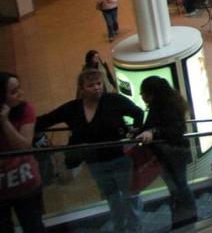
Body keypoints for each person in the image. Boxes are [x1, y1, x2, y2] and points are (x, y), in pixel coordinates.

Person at [37, 70, 144, 233]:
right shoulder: (73, 108)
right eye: (91, 85)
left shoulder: (113, 100)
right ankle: (121, 228)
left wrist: (133, 136)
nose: (96, 88)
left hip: (121, 159)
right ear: (82, 88)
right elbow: (47, 119)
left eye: (99, 84)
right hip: (96, 163)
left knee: (129, 195)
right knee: (112, 198)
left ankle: (135, 228)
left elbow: (138, 112)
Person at [135, 76, 197, 229]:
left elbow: (175, 129)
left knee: (179, 184)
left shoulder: (166, 106)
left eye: (143, 93)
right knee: (176, 183)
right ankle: (184, 213)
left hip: (173, 152)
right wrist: (144, 131)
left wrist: (153, 132)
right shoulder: (165, 103)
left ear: (153, 93)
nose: (142, 96)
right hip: (170, 152)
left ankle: (188, 214)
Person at [0, 72, 45, 233]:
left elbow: (24, 146)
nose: (20, 94)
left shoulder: (26, 110)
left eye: (19, 88)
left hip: (27, 186)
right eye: (13, 92)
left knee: (34, 227)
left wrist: (4, 122)